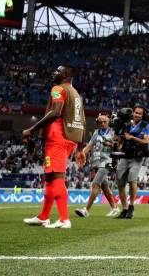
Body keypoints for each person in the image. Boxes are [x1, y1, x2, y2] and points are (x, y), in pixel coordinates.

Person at [22, 65, 86, 229]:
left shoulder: (58, 88)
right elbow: (83, 122)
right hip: (70, 138)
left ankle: (64, 219)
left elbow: (56, 112)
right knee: (50, 178)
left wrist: (32, 129)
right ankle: (44, 216)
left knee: (57, 178)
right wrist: (80, 148)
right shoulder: (76, 94)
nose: (54, 73)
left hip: (58, 137)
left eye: (57, 71)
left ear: (65, 74)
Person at [75, 114, 120, 218]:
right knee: (105, 187)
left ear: (108, 122)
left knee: (95, 184)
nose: (103, 124)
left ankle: (86, 210)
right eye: (100, 122)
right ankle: (114, 208)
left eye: (105, 122)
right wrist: (81, 153)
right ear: (98, 123)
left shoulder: (113, 133)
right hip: (96, 162)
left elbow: (118, 147)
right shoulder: (96, 133)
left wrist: (111, 144)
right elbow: (89, 146)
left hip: (107, 161)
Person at [116, 105, 149, 219]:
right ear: (133, 113)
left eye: (140, 113)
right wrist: (119, 145)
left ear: (143, 115)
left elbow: (146, 141)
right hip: (125, 156)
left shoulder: (146, 126)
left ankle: (131, 207)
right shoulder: (126, 125)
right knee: (120, 183)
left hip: (137, 158)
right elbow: (120, 138)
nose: (137, 115)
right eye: (136, 112)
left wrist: (132, 138)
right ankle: (125, 209)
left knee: (132, 180)